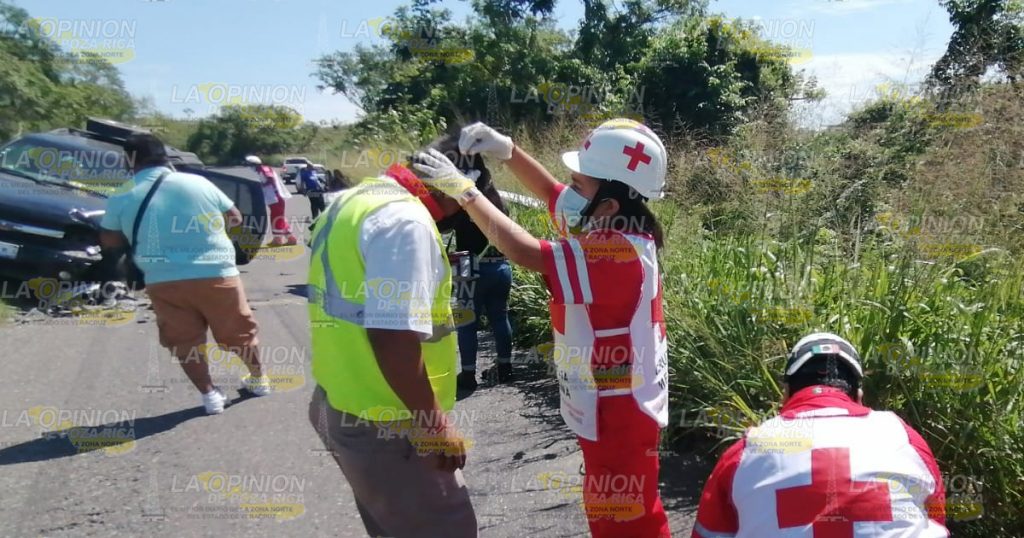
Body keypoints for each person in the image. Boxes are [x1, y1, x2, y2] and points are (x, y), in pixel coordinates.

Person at [414, 118, 672, 537]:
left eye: (581, 186)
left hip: (619, 405)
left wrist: (465, 192)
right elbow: (554, 195)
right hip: (611, 395)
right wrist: (509, 151)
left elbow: (523, 250)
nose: (571, 192)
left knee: (629, 513)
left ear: (608, 204)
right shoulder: (615, 222)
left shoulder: (613, 250)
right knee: (609, 501)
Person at [306, 133, 492, 538]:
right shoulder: (405, 222)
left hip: (342, 401)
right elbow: (392, 335)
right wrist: (434, 425)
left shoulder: (354, 200)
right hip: (392, 422)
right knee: (449, 529)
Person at [691, 332, 949, 537]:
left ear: (786, 395)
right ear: (858, 395)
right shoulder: (906, 439)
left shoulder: (744, 453)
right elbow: (936, 517)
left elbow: (709, 533)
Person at [100, 134, 271, 415]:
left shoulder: (122, 193)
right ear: (165, 156)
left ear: (130, 159)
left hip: (162, 278)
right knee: (239, 332)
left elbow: (110, 241)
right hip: (217, 272)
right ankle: (258, 379)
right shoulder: (198, 182)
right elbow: (236, 217)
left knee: (185, 341)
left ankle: (210, 396)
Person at [427, 136, 514, 391]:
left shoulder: (463, 200)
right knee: (500, 317)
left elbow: (441, 225)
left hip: (470, 270)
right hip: (501, 267)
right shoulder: (499, 200)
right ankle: (505, 367)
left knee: (467, 322)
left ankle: (467, 375)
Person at [245, 155, 297, 246]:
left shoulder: (264, 169)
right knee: (279, 218)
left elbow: (270, 179)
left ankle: (277, 240)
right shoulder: (259, 171)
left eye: (249, 165)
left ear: (254, 164)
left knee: (276, 218)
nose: (248, 167)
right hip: (273, 199)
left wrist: (261, 186)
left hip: (276, 198)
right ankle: (291, 238)